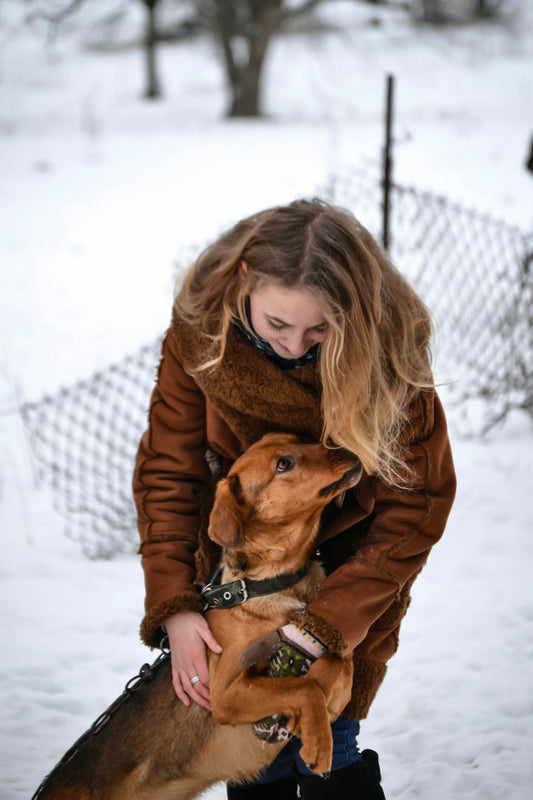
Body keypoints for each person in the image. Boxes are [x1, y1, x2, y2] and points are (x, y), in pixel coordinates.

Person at [133, 198, 456, 799]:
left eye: (319, 329)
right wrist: (175, 604)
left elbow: (419, 503)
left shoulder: (390, 357)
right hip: (242, 573)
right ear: (242, 281)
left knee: (332, 736)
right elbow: (168, 475)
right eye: (276, 324)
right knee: (258, 756)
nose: (292, 344)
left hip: (355, 582)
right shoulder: (201, 340)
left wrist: (326, 624)